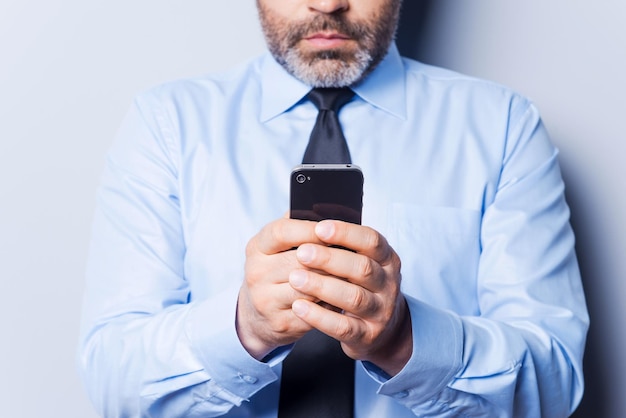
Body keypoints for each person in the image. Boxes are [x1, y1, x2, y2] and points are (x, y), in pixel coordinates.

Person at [77, 0, 589, 417]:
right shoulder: (167, 124)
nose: (327, 3)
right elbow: (113, 379)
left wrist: (404, 340)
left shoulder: (501, 126)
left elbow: (555, 383)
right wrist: (244, 329)